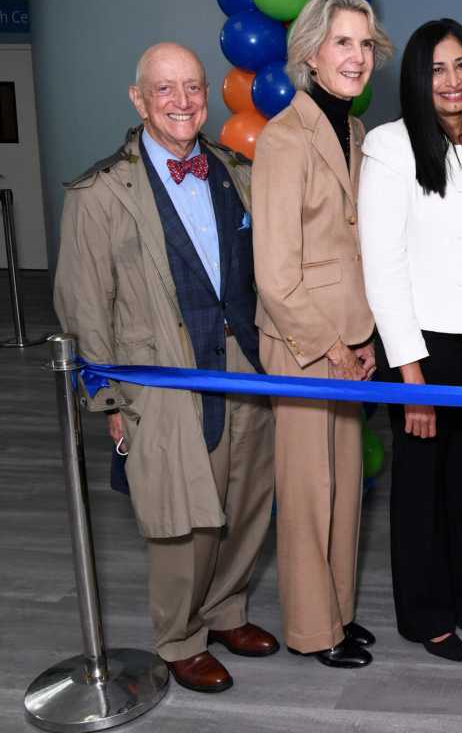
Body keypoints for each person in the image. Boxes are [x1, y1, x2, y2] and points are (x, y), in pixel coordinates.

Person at [54, 42, 276, 693]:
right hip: (162, 377)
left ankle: (227, 610)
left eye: (193, 88)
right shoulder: (99, 193)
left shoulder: (238, 171)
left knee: (245, 498)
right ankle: (180, 638)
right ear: (138, 98)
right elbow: (84, 306)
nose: (183, 102)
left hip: (246, 365)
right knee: (182, 517)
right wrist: (113, 404)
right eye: (165, 90)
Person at [252, 0, 394, 669]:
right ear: (310, 53)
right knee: (309, 494)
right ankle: (312, 630)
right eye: (343, 42)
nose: (357, 56)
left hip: (347, 342)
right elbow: (276, 272)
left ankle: (337, 611)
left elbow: (351, 245)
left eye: (365, 44)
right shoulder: (285, 136)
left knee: (344, 484)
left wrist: (363, 335)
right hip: (303, 345)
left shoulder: (356, 131)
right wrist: (333, 345)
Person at [359, 18, 462, 663]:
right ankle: (424, 614)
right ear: (418, 79)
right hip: (425, 347)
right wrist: (410, 374)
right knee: (422, 485)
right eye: (437, 70)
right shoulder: (391, 147)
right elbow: (383, 264)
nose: (452, 81)